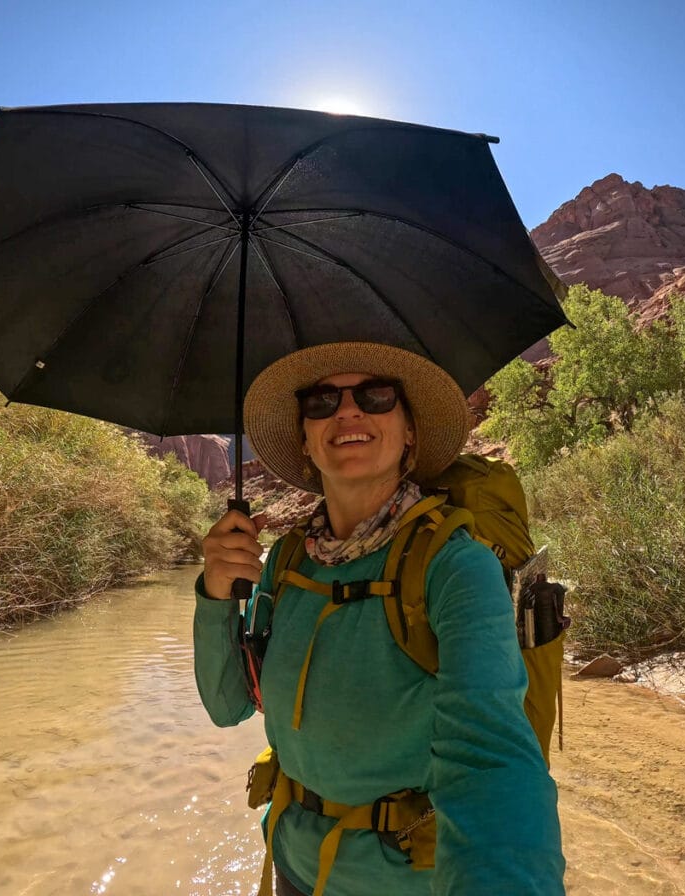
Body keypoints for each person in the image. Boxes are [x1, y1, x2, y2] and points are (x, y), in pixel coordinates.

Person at [194, 342, 565, 896]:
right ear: (304, 439)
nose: (347, 412)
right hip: (294, 864)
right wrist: (215, 595)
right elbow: (227, 707)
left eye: (376, 395)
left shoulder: (455, 565)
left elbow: (491, 761)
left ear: (410, 431)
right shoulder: (287, 562)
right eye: (321, 401)